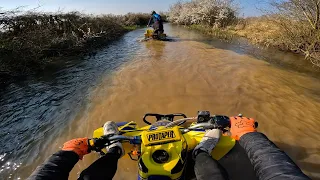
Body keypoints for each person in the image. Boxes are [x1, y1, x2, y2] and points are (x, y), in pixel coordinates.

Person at [27, 117, 310, 180]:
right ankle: (201, 151)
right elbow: (282, 174)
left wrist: (67, 153)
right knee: (203, 156)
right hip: (197, 143)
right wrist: (248, 133)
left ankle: (114, 150)